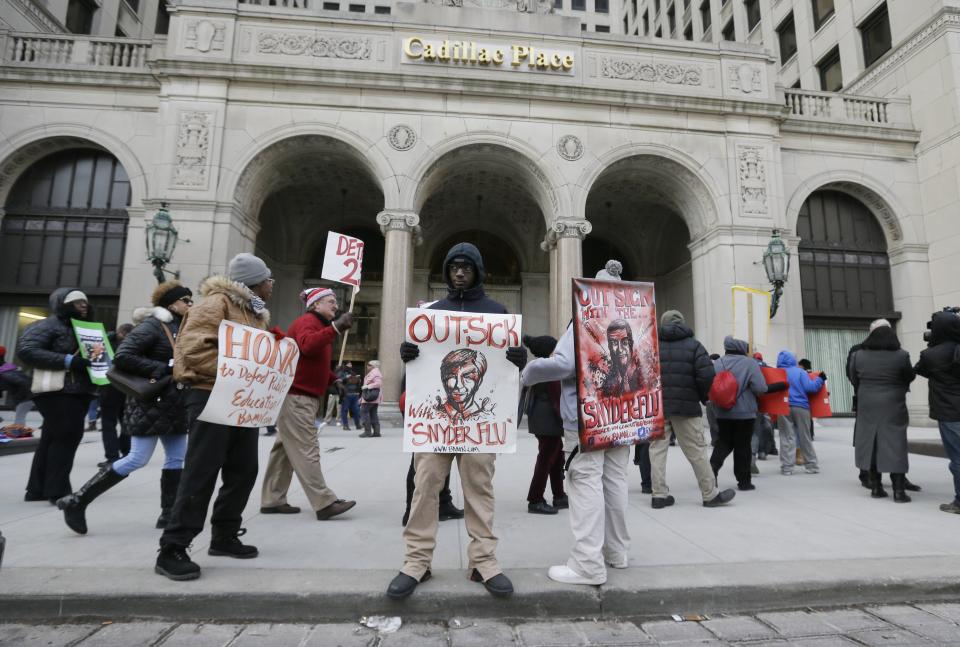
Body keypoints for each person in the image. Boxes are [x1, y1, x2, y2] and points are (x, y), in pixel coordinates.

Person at [387, 242, 527, 600]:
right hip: (436, 426)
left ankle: (484, 561)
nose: (459, 272)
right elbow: (421, 374)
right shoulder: (432, 314)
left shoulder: (497, 313)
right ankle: (416, 561)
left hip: (481, 429)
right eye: (454, 267)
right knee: (425, 487)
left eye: (466, 266)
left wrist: (517, 357)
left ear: (477, 271)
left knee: (479, 489)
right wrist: (409, 356)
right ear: (447, 272)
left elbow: (503, 374)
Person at [155, 253, 274, 581]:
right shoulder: (214, 304)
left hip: (240, 399)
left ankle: (224, 534)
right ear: (253, 282)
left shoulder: (254, 313)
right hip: (210, 394)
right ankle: (172, 547)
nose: (271, 284)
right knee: (201, 471)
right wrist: (238, 371)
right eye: (268, 279)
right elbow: (192, 350)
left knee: (243, 469)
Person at [521, 260, 632, 586]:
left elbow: (564, 363)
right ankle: (617, 552)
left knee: (585, 481)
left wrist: (529, 373)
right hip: (622, 414)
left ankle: (587, 564)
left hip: (588, 418)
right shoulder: (631, 319)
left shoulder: (588, 316)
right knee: (615, 481)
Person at [56, 282, 193, 534]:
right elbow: (123, 356)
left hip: (173, 403)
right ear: (172, 303)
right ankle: (77, 501)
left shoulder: (179, 326)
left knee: (176, 458)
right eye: (186, 300)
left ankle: (168, 514)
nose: (190, 304)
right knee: (137, 458)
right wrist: (162, 368)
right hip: (151, 402)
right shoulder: (153, 325)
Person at [260, 287, 357, 520]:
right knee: (306, 449)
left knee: (284, 451)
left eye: (335, 302)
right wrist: (336, 328)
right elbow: (307, 346)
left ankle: (272, 499)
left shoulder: (317, 324)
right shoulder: (308, 322)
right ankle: (324, 503)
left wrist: (335, 379)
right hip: (298, 398)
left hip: (298, 397)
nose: (336, 305)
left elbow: (310, 361)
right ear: (315, 305)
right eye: (330, 301)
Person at [650, 310, 735, 509]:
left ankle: (659, 495)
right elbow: (706, 376)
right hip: (686, 407)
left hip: (658, 407)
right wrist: (701, 397)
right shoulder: (695, 346)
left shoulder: (652, 346)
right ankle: (709, 494)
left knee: (657, 451)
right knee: (696, 451)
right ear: (682, 323)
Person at [19, 289, 97, 503]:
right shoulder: (46, 325)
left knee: (52, 438)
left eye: (85, 302)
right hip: (56, 391)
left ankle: (36, 490)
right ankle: (58, 490)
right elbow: (27, 350)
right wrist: (68, 361)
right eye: (77, 301)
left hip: (77, 391)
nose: (84, 305)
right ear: (62, 304)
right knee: (67, 435)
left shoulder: (83, 328)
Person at [846, 320, 922, 493]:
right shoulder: (901, 355)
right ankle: (899, 491)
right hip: (894, 403)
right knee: (896, 443)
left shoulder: (858, 355)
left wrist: (865, 390)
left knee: (871, 441)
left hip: (867, 403)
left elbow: (853, 377)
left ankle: (876, 487)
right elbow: (909, 376)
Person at [710, 336, 786, 491]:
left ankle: (711, 471)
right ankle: (744, 481)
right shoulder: (749, 363)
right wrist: (779, 385)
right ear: (742, 348)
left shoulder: (718, 363)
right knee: (742, 446)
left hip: (722, 412)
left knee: (723, 442)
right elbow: (760, 388)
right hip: (745, 414)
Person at [914, 311, 960, 513]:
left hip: (949, 412)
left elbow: (919, 369)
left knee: (957, 458)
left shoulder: (931, 355)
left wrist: (932, 346)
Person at [522, 334, 567, 515]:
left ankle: (559, 495)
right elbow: (557, 400)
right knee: (546, 459)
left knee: (556, 458)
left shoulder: (535, 367)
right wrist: (564, 420)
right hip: (549, 421)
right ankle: (535, 499)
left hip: (539, 419)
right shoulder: (549, 370)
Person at [775, 350, 824, 476]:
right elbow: (811, 388)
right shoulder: (800, 372)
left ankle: (787, 468)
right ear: (792, 359)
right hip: (801, 407)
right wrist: (820, 379)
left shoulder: (777, 373)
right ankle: (811, 466)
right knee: (805, 436)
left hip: (783, 407)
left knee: (786, 437)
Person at [97, 323, 133, 467]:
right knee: (124, 423)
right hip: (125, 387)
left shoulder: (106, 342)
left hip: (110, 387)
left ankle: (112, 456)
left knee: (109, 424)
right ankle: (126, 452)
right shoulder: (134, 344)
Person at [0, 346, 35, 433]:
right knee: (19, 416)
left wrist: (18, 399)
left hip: (27, 397)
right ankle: (18, 433)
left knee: (20, 417)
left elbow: (24, 384)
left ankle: (20, 434)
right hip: (29, 396)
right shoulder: (10, 368)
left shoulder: (5, 373)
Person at [359, 360, 383, 438]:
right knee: (373, 414)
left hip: (370, 397)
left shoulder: (375, 373)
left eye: (369, 364)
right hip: (372, 397)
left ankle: (367, 432)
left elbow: (378, 384)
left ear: (374, 366)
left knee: (364, 412)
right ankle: (376, 432)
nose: (367, 366)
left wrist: (368, 386)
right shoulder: (374, 372)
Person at [338, 362, 362, 430]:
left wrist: (358, 380)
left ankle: (358, 425)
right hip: (346, 394)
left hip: (354, 394)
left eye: (351, 364)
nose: (350, 365)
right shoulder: (341, 372)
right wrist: (345, 377)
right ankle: (345, 425)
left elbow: (357, 383)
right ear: (345, 365)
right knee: (345, 410)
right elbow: (338, 381)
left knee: (356, 410)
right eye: (348, 364)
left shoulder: (352, 372)